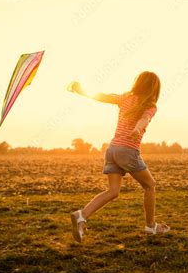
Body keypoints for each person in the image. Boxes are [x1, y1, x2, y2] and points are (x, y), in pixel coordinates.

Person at [67, 71, 170, 243]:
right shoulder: (150, 105)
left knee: (113, 191)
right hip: (127, 151)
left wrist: (81, 90)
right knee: (150, 186)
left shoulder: (125, 98)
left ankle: (82, 215)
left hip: (112, 149)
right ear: (155, 89)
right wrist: (137, 129)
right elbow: (145, 118)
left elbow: (103, 97)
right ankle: (151, 227)